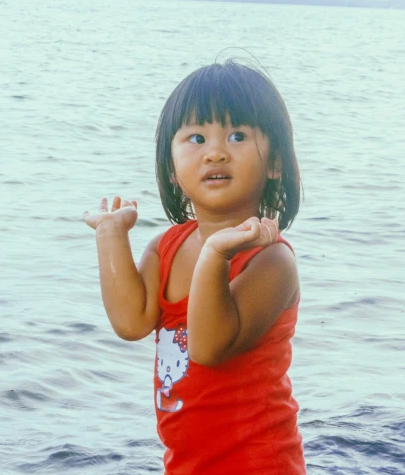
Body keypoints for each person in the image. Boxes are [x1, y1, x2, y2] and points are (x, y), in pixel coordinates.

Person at [83, 60, 305, 474]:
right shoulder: (166, 247)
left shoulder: (272, 262)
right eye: (196, 137)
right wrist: (110, 235)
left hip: (260, 465)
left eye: (237, 135)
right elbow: (131, 322)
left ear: (275, 162)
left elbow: (207, 347)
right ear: (171, 168)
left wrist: (216, 255)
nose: (216, 151)